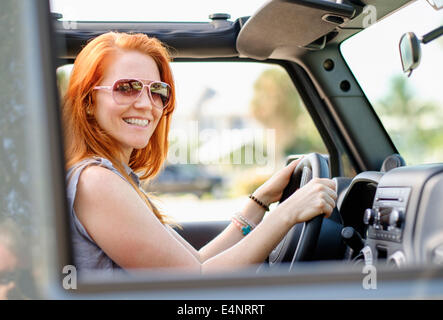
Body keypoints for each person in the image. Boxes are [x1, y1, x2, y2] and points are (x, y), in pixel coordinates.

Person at [62, 32, 337, 274]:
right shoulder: (96, 181)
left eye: (157, 91)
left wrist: (261, 201)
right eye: (127, 88)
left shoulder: (111, 176)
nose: (147, 104)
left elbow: (197, 261)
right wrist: (287, 213)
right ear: (88, 102)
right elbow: (197, 283)